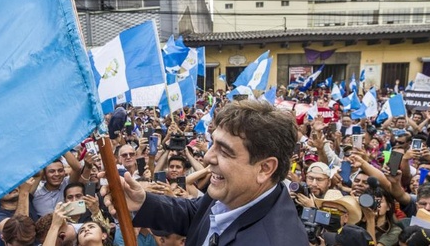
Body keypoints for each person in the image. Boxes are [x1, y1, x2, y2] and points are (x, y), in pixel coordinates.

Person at [103, 100, 308, 245]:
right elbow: (196, 214)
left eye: (225, 151)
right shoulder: (232, 192)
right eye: (212, 144)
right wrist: (143, 202)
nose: (208, 158)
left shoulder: (275, 239)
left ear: (265, 168)